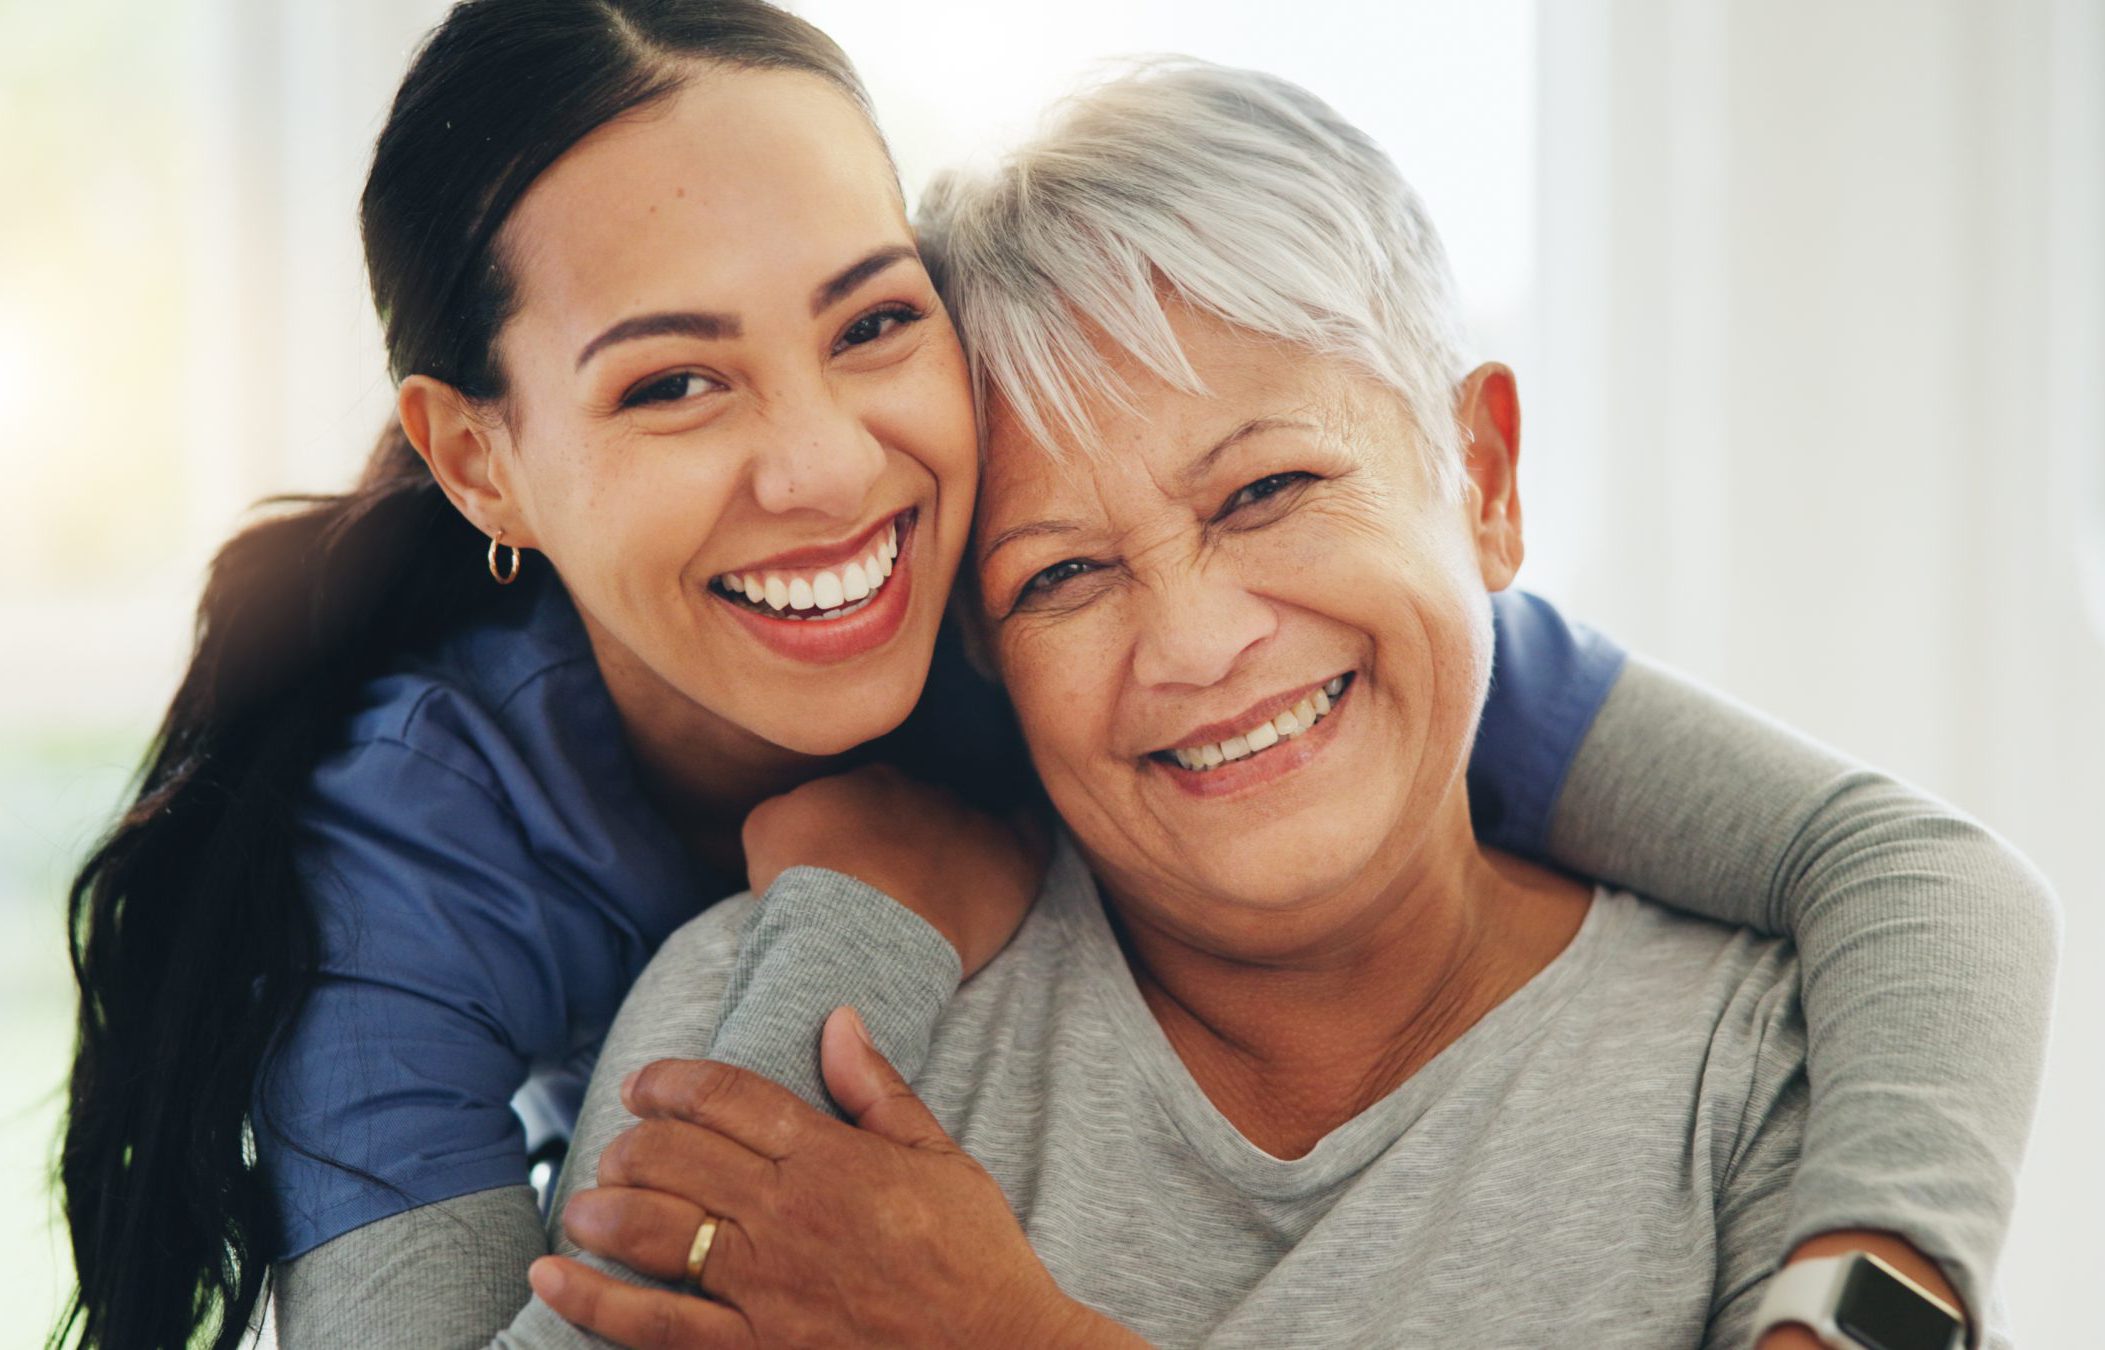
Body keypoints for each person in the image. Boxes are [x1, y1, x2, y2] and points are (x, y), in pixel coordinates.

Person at [53, 4, 2051, 1348]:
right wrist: (858, 922)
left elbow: (1915, 876)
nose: (829, 465)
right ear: (481, 455)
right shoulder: (416, 871)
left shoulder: (1251, 659)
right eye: (673, 381)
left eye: (869, 325)